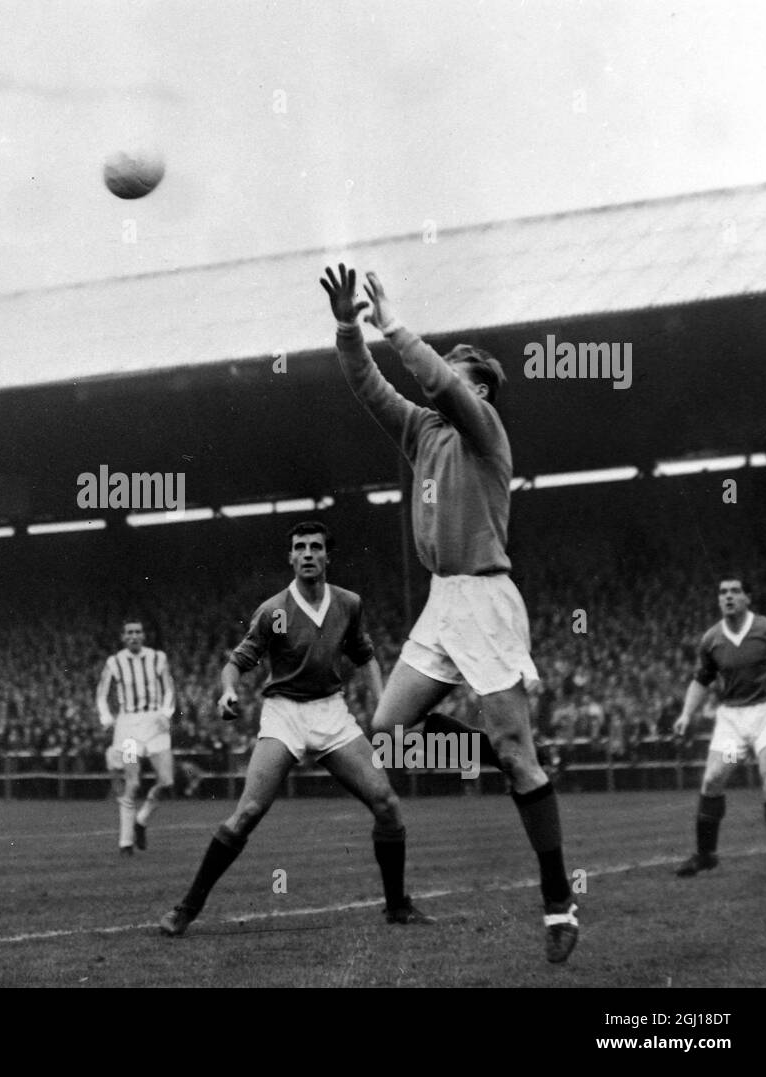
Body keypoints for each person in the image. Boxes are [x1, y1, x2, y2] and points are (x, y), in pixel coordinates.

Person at [319, 265, 578, 963]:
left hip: (488, 598)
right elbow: (369, 384)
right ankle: (490, 749)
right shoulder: (423, 433)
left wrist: (393, 323)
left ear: (479, 389)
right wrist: (351, 326)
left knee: (520, 757)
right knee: (385, 728)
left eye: (458, 373)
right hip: (442, 601)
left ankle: (558, 900)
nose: (440, 381)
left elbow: (436, 381)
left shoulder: (483, 430)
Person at [159, 521, 432, 937]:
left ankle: (397, 907)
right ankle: (187, 907)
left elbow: (365, 655)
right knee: (248, 811)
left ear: (327, 556)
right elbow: (236, 662)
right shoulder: (274, 612)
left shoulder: (348, 603)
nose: (307, 553)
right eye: (299, 547)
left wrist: (385, 705)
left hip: (331, 713)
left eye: (315, 547)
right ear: (290, 557)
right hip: (284, 713)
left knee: (388, 805)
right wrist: (227, 693)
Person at [673, 576, 766, 875]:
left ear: (748, 597)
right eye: (723, 592)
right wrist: (686, 714)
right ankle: (706, 855)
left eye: (735, 591)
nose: (728, 596)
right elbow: (702, 679)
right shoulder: (712, 639)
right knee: (714, 778)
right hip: (733, 721)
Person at [96, 618, 176, 854]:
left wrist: (166, 713)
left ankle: (141, 820)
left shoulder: (158, 657)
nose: (133, 636)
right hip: (129, 729)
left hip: (155, 726)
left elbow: (169, 688)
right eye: (129, 632)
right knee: (133, 782)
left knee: (167, 781)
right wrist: (106, 718)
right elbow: (101, 694)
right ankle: (125, 842)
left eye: (137, 632)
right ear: (123, 637)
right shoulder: (115, 661)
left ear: (143, 635)